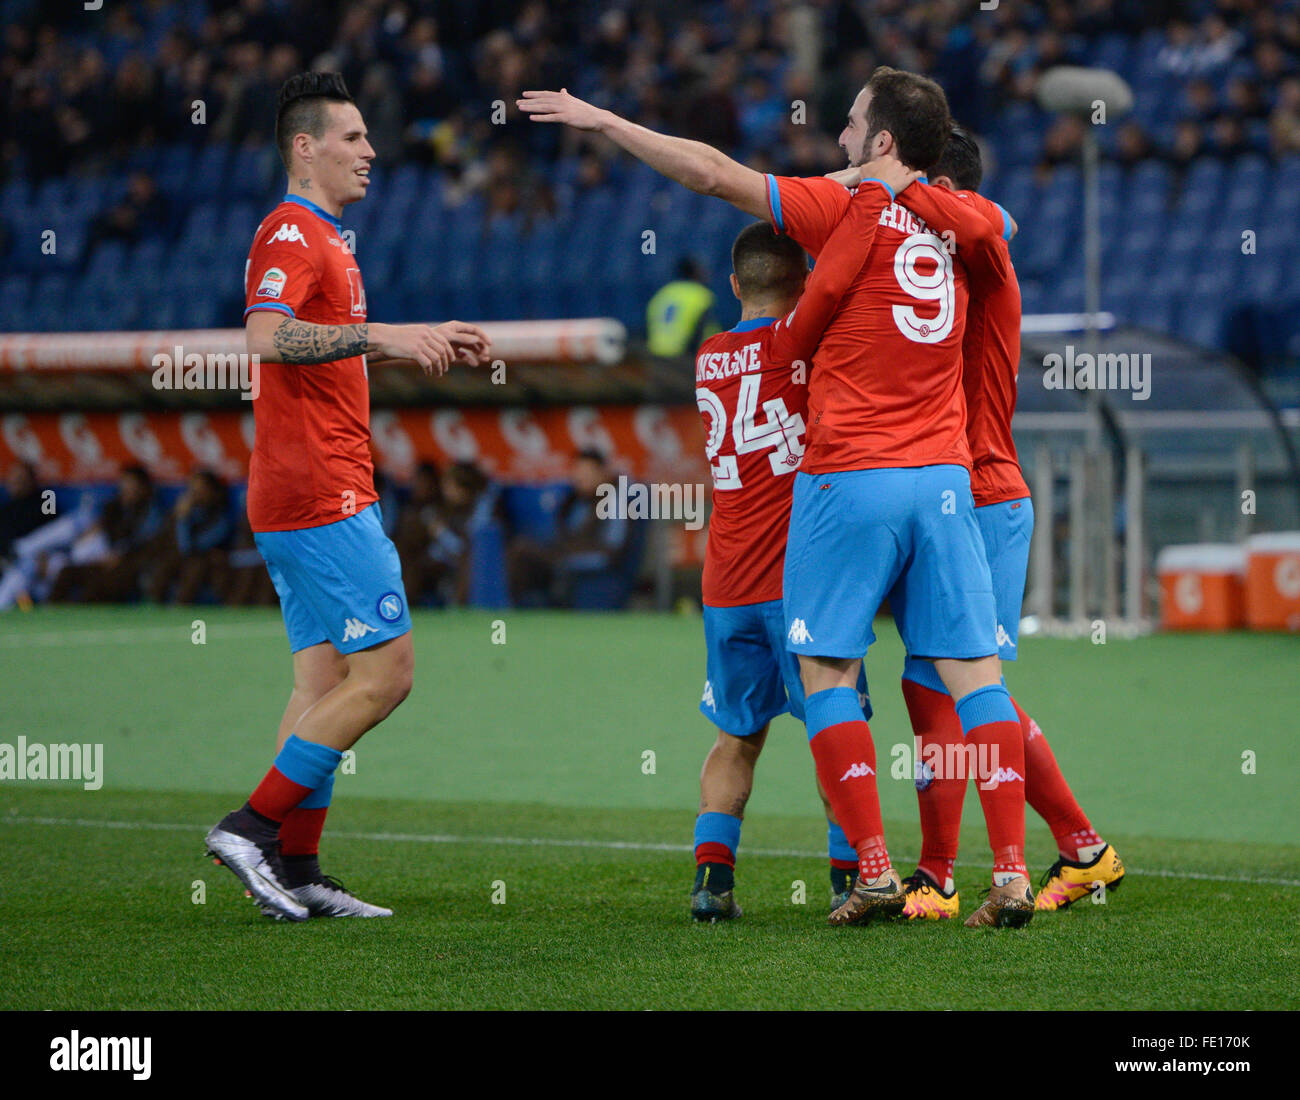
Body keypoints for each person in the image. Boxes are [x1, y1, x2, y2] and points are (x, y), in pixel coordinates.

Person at [521, 66, 1033, 928]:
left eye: (849, 125)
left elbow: (713, 174)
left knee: (827, 666)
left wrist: (608, 119)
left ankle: (871, 870)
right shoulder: (970, 225)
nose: (835, 137)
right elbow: (992, 219)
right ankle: (1010, 874)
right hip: (946, 481)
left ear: (878, 142)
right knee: (972, 674)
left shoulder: (840, 213)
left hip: (851, 476)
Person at [204, 71, 491, 922]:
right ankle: (250, 828)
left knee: (321, 682)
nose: (372, 152)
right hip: (319, 488)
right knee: (389, 672)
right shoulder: (293, 231)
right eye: (354, 137)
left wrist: (412, 344)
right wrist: (386, 333)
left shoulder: (331, 237)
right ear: (306, 147)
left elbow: (324, 347)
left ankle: (297, 869)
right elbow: (263, 336)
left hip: (301, 487)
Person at [848, 127, 1123, 917]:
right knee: (937, 684)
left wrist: (889, 181)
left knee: (962, 684)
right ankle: (1062, 854)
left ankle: (976, 867)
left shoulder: (982, 246)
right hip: (948, 494)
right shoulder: (930, 269)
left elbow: (991, 219)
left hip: (987, 495)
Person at [688, 208, 914, 921]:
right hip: (803, 580)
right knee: (833, 720)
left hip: (726, 582)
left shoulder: (707, 358)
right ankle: (851, 879)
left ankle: (711, 885)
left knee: (735, 736)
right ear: (804, 280)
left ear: (733, 284)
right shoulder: (803, 344)